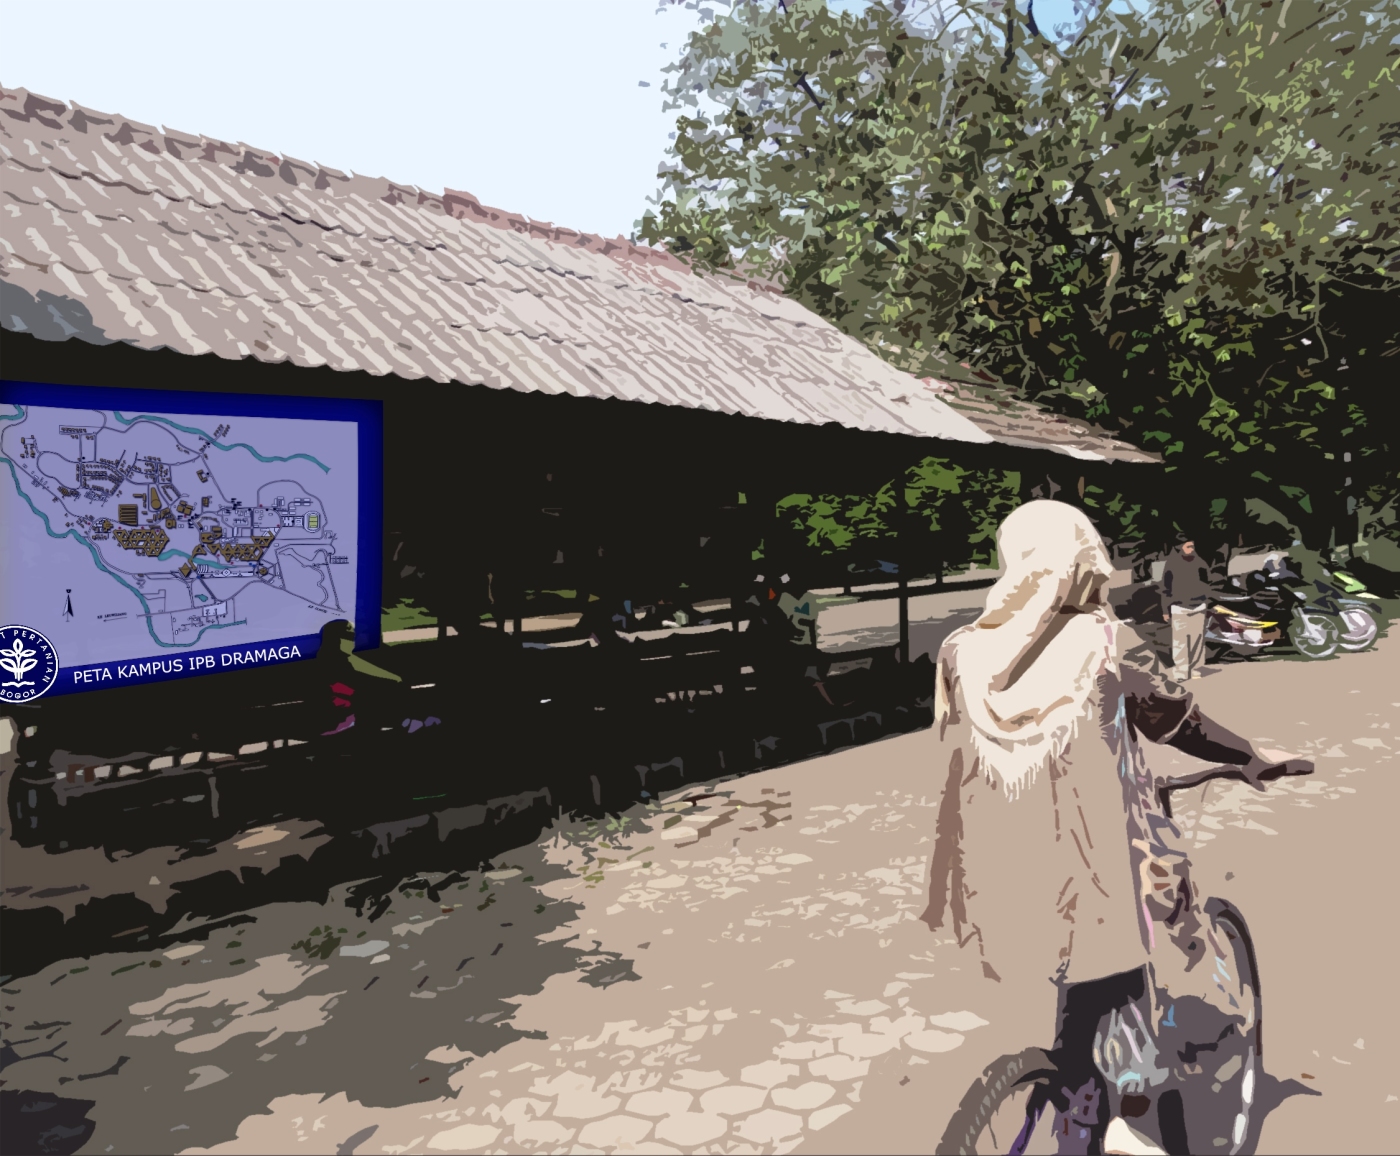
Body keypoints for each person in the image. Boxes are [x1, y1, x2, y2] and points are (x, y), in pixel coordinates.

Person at [920, 501, 1311, 1154]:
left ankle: (1086, 1102)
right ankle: (1124, 1122)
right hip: (1095, 872)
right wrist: (1249, 755)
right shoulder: (1103, 642)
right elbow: (1178, 722)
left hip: (995, 870)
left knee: (1076, 1007)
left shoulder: (959, 652)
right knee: (1121, 992)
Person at [1160, 535, 1213, 680]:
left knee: (1197, 641)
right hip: (1179, 608)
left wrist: (1205, 598)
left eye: (1193, 546)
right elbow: (1165, 588)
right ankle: (1181, 672)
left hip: (1198, 607)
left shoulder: (1199, 562)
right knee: (1180, 642)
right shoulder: (1171, 564)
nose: (1192, 549)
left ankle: (1194, 669)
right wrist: (1165, 610)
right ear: (1180, 548)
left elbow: (1208, 581)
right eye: (1188, 546)